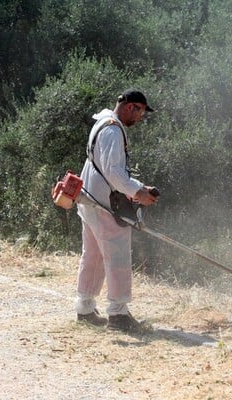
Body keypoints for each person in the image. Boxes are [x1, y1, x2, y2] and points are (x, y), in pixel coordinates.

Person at [75, 89, 159, 332]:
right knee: (118, 256)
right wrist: (138, 192)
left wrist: (139, 187)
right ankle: (119, 314)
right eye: (141, 111)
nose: (141, 117)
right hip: (104, 204)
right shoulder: (113, 130)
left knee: (92, 255)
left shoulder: (102, 122)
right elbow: (113, 172)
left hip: (90, 200)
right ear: (131, 107)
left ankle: (85, 308)